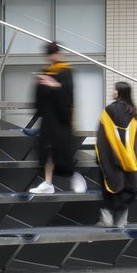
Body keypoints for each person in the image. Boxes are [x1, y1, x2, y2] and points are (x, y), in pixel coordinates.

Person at [28, 42, 86, 197]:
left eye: (56, 53)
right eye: (53, 53)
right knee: (47, 151)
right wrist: (40, 85)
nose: (56, 56)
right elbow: (39, 100)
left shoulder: (66, 71)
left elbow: (68, 97)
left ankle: (75, 177)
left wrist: (56, 86)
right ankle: (47, 183)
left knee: (63, 151)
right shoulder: (45, 72)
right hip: (49, 119)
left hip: (62, 120)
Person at [95, 80, 137, 227]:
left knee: (109, 185)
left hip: (111, 157)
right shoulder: (133, 112)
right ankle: (122, 220)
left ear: (119, 92)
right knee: (126, 185)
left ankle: (107, 218)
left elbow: (103, 136)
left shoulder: (110, 110)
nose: (112, 92)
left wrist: (101, 156)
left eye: (115, 90)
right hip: (129, 158)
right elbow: (135, 140)